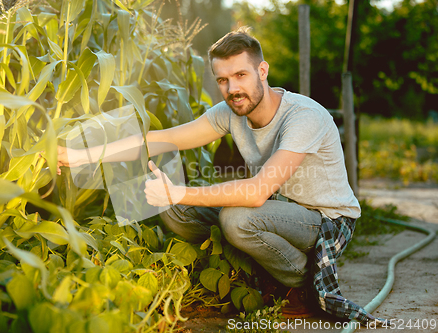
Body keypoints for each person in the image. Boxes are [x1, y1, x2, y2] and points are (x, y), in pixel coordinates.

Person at [57, 27, 388, 325]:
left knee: (236, 219)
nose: (233, 89)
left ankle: (301, 283)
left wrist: (180, 192)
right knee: (171, 210)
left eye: (241, 75)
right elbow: (161, 139)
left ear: (262, 71)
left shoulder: (303, 117)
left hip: (326, 220)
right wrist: (78, 156)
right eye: (223, 80)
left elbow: (257, 193)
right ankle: (252, 269)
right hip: (277, 211)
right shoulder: (230, 112)